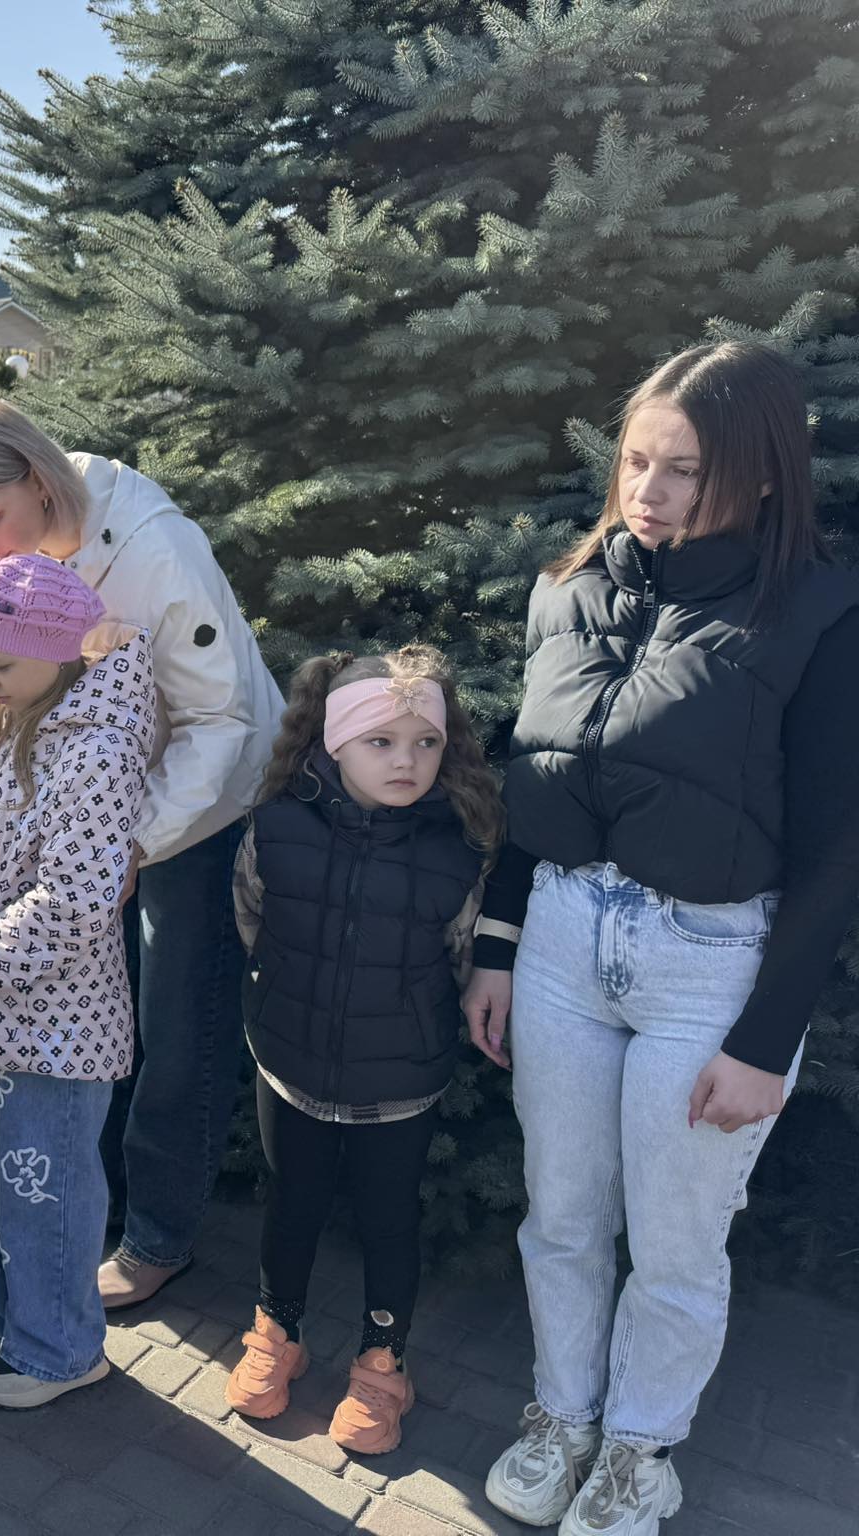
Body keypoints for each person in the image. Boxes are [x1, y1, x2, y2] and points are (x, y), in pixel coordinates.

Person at [463, 342, 859, 1536]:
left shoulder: (816, 614)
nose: (648, 489)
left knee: (677, 1245)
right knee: (562, 1215)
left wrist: (762, 1036)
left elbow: (837, 847)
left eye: (683, 469)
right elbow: (532, 780)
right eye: (636, 460)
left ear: (759, 474)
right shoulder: (565, 590)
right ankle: (559, 1418)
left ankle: (640, 1449)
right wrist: (494, 940)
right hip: (562, 951)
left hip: (707, 967)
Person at [0, 399, 284, 1311]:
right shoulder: (32, 531)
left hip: (200, 809)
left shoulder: (156, 553)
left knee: (174, 1024)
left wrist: (135, 844)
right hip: (101, 820)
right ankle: (101, 1203)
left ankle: (160, 1235)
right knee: (99, 1008)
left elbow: (220, 722)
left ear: (38, 482)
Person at [223, 647, 500, 1456]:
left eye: (425, 743)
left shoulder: (457, 849)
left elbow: (460, 959)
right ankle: (278, 1329)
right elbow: (253, 919)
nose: (407, 761)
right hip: (291, 1059)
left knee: (388, 1219)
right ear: (334, 742)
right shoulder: (276, 824)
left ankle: (384, 1365)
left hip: (400, 1078)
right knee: (293, 1200)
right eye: (381, 741)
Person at [0, 556, 155, 1410]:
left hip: (55, 1027)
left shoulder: (95, 748)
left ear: (59, 653)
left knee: (44, 1188)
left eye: (2, 665)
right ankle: (10, 1307)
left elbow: (77, 897)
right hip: (2, 1022)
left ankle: (59, 1347)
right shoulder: (32, 718)